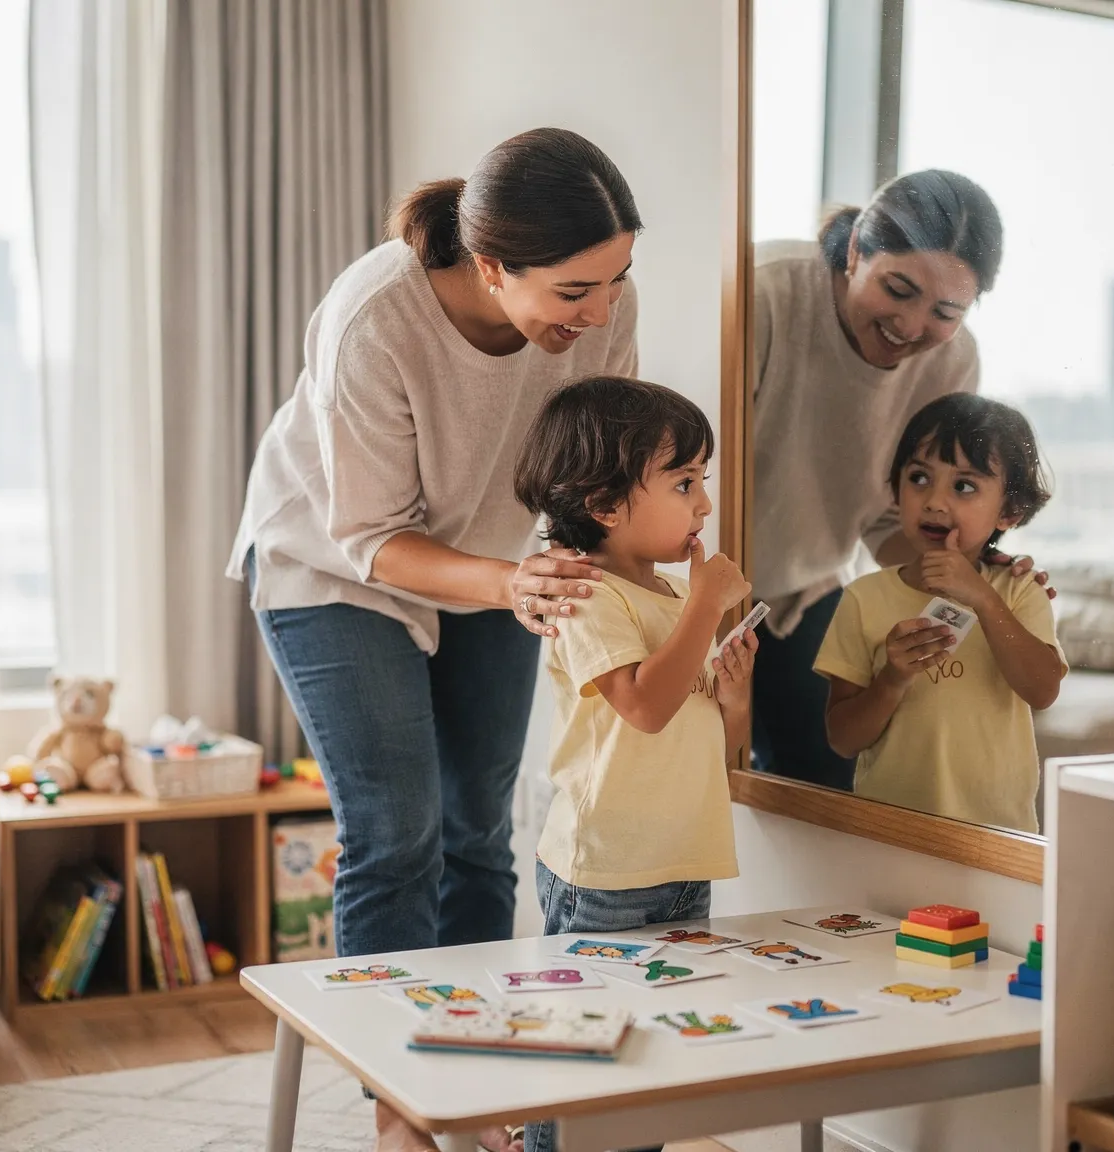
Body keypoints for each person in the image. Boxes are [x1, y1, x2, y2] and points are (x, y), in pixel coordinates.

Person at [227, 127, 640, 1152]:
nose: (597, 314)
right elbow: (369, 537)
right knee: (397, 831)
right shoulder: (377, 313)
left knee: (475, 832)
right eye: (573, 292)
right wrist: (509, 579)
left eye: (614, 281)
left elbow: (599, 467)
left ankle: (475, 1085)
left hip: (494, 566)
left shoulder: (603, 304)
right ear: (490, 265)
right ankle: (401, 1111)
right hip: (332, 569)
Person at [512, 375, 754, 1152]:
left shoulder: (670, 598)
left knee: (653, 1048)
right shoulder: (586, 594)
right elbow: (645, 709)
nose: (704, 506)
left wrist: (737, 689)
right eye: (685, 483)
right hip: (606, 869)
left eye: (702, 482)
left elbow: (713, 731)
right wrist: (707, 606)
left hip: (680, 859)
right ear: (606, 503)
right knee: (584, 1044)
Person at [748, 169, 1049, 791]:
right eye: (898, 289)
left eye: (945, 311)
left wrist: (979, 572)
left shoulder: (954, 359)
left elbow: (898, 517)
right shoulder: (765, 296)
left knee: (828, 796)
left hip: (804, 592)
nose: (912, 328)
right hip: (706, 585)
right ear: (856, 249)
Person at [814, 393, 1065, 832]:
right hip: (890, 836)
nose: (933, 501)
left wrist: (984, 598)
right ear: (895, 489)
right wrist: (892, 679)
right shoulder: (863, 599)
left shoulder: (1021, 590)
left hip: (998, 835)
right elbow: (842, 740)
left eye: (963, 486)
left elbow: (1042, 691)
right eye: (918, 477)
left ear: (1009, 512)